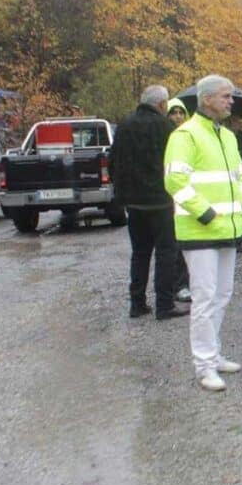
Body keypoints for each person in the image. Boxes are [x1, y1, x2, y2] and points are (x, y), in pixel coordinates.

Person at [164, 75, 242, 391]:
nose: (231, 102)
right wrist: (206, 213)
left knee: (222, 294)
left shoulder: (227, 136)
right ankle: (203, 366)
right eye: (225, 96)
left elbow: (240, 177)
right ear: (207, 100)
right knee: (203, 298)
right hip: (199, 230)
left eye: (231, 96)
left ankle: (213, 356)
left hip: (228, 230)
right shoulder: (185, 135)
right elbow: (175, 181)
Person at [108, 85, 188, 320]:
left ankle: (137, 303)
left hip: (133, 203)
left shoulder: (124, 127)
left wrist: (122, 193)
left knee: (140, 253)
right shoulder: (166, 128)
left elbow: (113, 162)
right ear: (162, 105)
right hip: (161, 202)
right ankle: (164, 304)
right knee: (166, 252)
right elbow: (173, 164)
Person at [164, 97, 192, 303]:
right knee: (171, 245)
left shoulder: (189, 136)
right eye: (173, 113)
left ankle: (183, 283)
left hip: (187, 197)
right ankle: (176, 285)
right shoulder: (164, 136)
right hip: (166, 197)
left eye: (180, 112)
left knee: (185, 244)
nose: (177, 117)